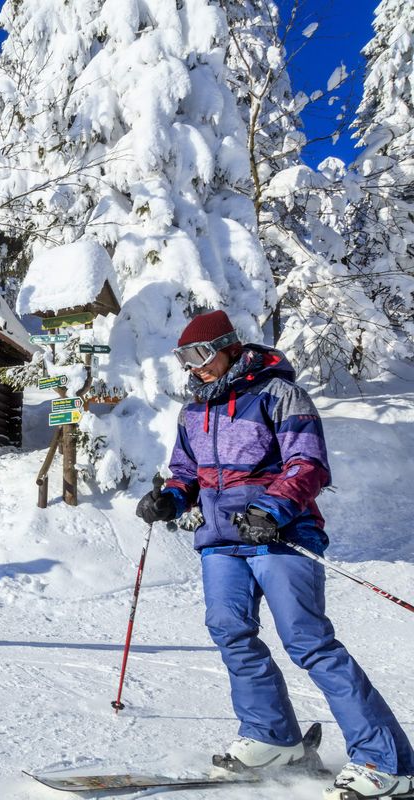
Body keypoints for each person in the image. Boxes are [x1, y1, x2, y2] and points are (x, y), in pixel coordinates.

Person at [136, 309, 414, 800]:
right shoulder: (192, 412)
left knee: (309, 643)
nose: (193, 367)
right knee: (230, 632)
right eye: (184, 358)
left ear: (229, 348)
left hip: (279, 535)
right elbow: (185, 471)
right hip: (221, 542)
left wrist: (273, 508)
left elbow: (308, 464)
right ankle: (271, 737)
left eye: (200, 355)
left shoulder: (280, 395)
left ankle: (384, 760)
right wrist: (171, 496)